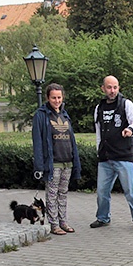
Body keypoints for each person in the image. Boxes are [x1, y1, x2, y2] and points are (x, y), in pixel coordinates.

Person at [90, 76, 133, 232]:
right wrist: (99, 151)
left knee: (130, 190)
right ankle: (103, 218)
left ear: (119, 88)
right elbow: (98, 133)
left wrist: (130, 130)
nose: (112, 90)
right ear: (103, 88)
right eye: (109, 87)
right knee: (102, 191)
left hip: (123, 156)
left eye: (115, 87)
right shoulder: (99, 108)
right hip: (105, 158)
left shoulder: (126, 104)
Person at [32, 83, 81, 235]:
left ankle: (63, 221)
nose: (57, 100)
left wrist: (75, 161)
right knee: (52, 195)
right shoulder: (41, 115)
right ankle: (54, 224)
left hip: (67, 161)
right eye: (53, 97)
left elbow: (71, 140)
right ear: (48, 98)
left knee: (63, 194)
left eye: (59, 97)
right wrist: (39, 166)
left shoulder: (65, 115)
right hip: (53, 163)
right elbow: (38, 142)